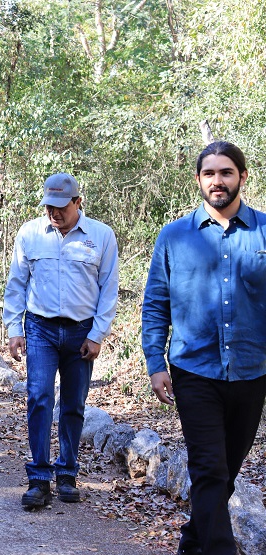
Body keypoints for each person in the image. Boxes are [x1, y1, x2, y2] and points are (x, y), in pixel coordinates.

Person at [142, 141, 266, 555]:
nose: (218, 181)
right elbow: (156, 303)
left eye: (226, 172)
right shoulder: (174, 236)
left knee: (225, 471)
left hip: (252, 370)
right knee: (209, 468)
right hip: (194, 370)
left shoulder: (264, 232)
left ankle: (192, 543)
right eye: (209, 173)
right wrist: (155, 362)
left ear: (242, 177)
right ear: (198, 179)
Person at [2, 173, 118, 509]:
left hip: (82, 332)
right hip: (41, 328)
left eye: (61, 206)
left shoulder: (101, 236)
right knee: (39, 397)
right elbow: (16, 284)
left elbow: (108, 289)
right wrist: (14, 328)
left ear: (78, 202)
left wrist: (97, 334)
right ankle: (39, 478)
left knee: (73, 403)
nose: (54, 212)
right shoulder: (30, 233)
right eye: (49, 206)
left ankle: (67, 472)